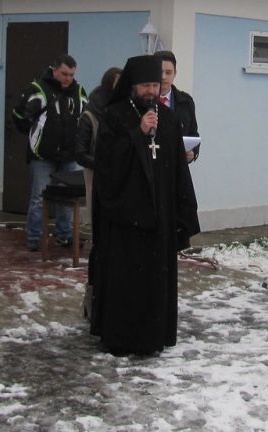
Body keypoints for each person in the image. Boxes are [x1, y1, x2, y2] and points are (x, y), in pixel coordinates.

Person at [91, 54, 200, 356]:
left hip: (159, 218)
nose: (152, 91)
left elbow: (178, 169)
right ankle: (121, 338)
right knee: (125, 281)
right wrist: (137, 134)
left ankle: (153, 338)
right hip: (126, 218)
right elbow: (107, 165)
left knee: (155, 280)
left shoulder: (169, 119)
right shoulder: (115, 116)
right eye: (146, 86)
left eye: (155, 85)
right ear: (133, 86)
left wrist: (184, 211)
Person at [12, 53, 87, 251]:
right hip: (42, 156)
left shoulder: (79, 91)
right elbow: (18, 115)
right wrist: (36, 137)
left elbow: (85, 118)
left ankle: (64, 236)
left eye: (71, 75)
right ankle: (34, 238)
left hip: (69, 155)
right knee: (39, 197)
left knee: (68, 198)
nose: (68, 78)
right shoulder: (38, 89)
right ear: (54, 71)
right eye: (64, 74)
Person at [74, 65, 122, 318]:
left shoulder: (125, 111)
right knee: (99, 238)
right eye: (116, 84)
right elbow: (80, 152)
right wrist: (103, 163)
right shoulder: (91, 115)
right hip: (97, 178)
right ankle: (92, 298)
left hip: (121, 181)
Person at [156, 49, 200, 163]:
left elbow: (193, 134)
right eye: (159, 72)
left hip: (176, 166)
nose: (163, 77)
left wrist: (193, 152)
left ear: (175, 73)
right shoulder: (142, 100)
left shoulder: (186, 102)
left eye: (168, 72)